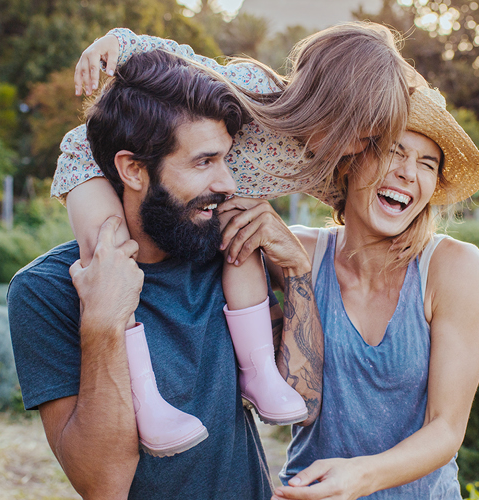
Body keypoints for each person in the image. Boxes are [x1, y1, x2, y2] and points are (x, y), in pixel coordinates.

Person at [55, 22, 419, 455]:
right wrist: (117, 43)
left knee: (243, 236)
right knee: (108, 252)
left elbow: (356, 198)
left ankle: (259, 370)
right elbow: (182, 60)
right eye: (359, 133)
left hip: (208, 196)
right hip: (95, 160)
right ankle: (144, 398)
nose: (360, 147)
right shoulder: (255, 90)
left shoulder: (323, 157)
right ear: (328, 106)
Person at [7, 49, 325, 498]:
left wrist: (294, 269)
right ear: (132, 169)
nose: (228, 183)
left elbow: (304, 402)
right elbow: (103, 486)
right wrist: (102, 321)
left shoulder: (221, 251)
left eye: (225, 159)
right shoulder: (44, 291)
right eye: (202, 162)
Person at [251, 85, 479, 499]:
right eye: (394, 151)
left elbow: (446, 427)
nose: (408, 172)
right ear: (350, 159)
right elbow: (221, 160)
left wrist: (362, 477)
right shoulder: (300, 252)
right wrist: (126, 48)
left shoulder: (453, 269)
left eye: (427, 163)